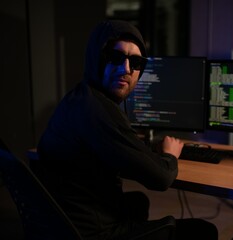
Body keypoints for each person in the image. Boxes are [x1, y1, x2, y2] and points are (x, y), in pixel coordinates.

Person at [36, 20, 218, 240]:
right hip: (92, 233)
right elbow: (160, 178)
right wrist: (170, 155)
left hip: (64, 223)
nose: (126, 69)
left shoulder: (81, 97)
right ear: (98, 58)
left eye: (136, 61)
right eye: (116, 57)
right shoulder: (98, 111)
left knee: (138, 202)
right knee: (204, 231)